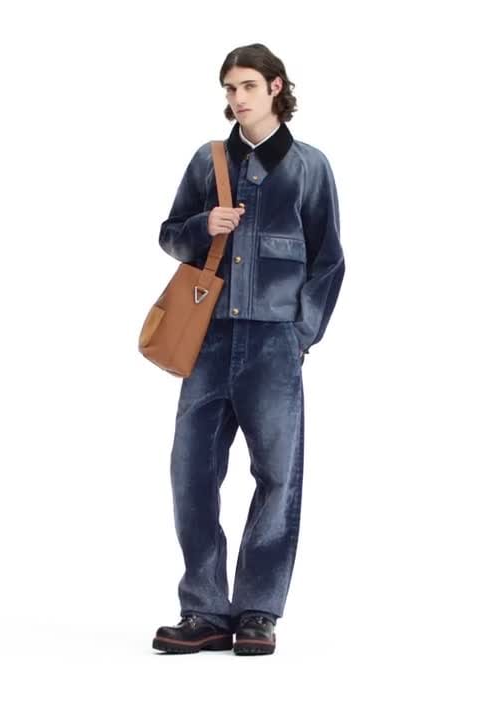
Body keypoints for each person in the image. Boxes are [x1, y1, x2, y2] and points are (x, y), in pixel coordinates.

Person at [151, 43, 345, 655]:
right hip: (208, 341)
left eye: (248, 87)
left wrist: (300, 334)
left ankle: (258, 610)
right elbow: (170, 235)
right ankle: (204, 610)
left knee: (277, 476)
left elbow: (329, 260)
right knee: (191, 473)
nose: (237, 98)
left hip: (274, 345)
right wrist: (200, 226)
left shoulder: (310, 167)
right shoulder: (208, 161)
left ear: (275, 87)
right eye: (230, 88)